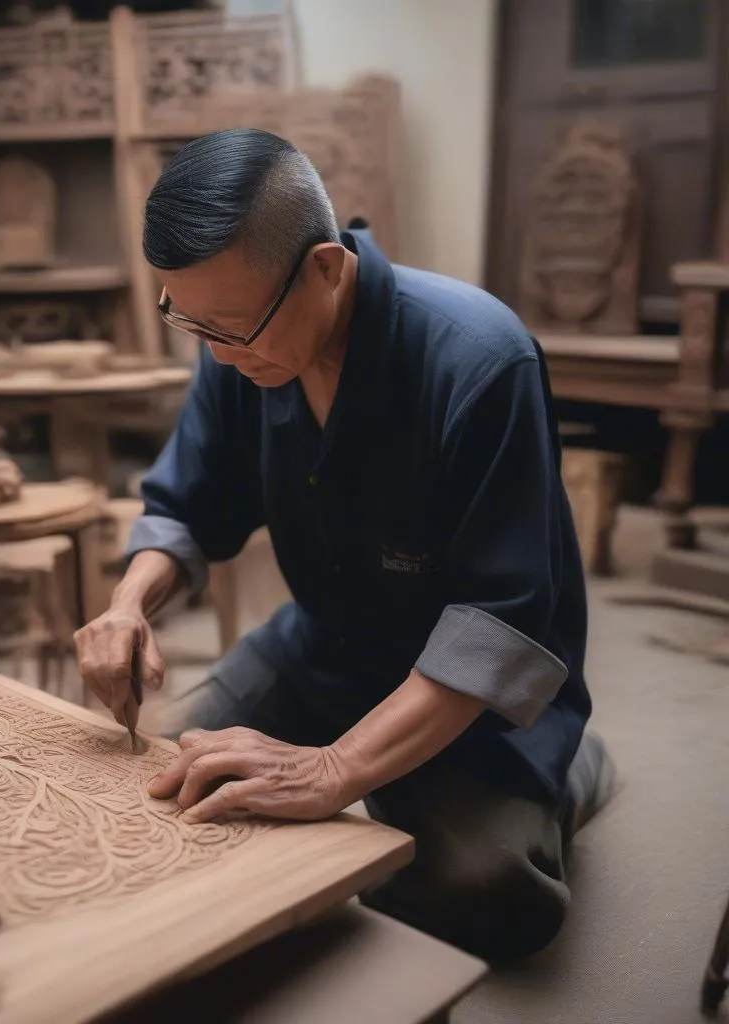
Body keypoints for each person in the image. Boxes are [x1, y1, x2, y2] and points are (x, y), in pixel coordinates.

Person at [74, 128, 615, 962]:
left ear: (326, 267)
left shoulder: (480, 360)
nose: (217, 353)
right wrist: (126, 603)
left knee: (492, 893)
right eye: (190, 321)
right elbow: (184, 506)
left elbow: (497, 630)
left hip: (467, 701)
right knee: (151, 788)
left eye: (235, 327)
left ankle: (571, 769)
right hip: (322, 648)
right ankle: (369, 791)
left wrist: (331, 774)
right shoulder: (236, 348)